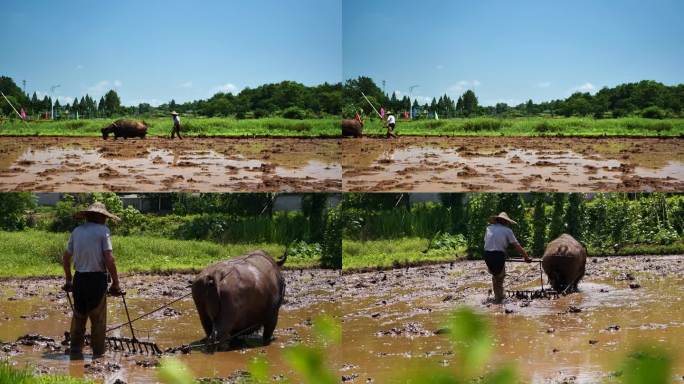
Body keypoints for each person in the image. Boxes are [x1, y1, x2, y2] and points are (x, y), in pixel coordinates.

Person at [62, 202, 124, 359]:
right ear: (100, 217)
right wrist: (116, 283)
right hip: (97, 280)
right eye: (104, 217)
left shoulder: (76, 231)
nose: (105, 220)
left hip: (79, 280)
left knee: (79, 317)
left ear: (87, 216)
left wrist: (69, 280)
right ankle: (98, 355)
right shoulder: (103, 231)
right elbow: (109, 258)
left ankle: (75, 352)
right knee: (98, 321)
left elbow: (66, 257)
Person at [483, 212, 531, 304]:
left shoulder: (488, 228)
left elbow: (489, 242)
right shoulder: (507, 230)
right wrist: (526, 257)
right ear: (505, 221)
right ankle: (499, 300)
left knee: (495, 276)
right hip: (498, 255)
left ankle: (497, 296)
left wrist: (503, 251)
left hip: (487, 255)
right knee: (500, 278)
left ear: (497, 220)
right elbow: (517, 245)